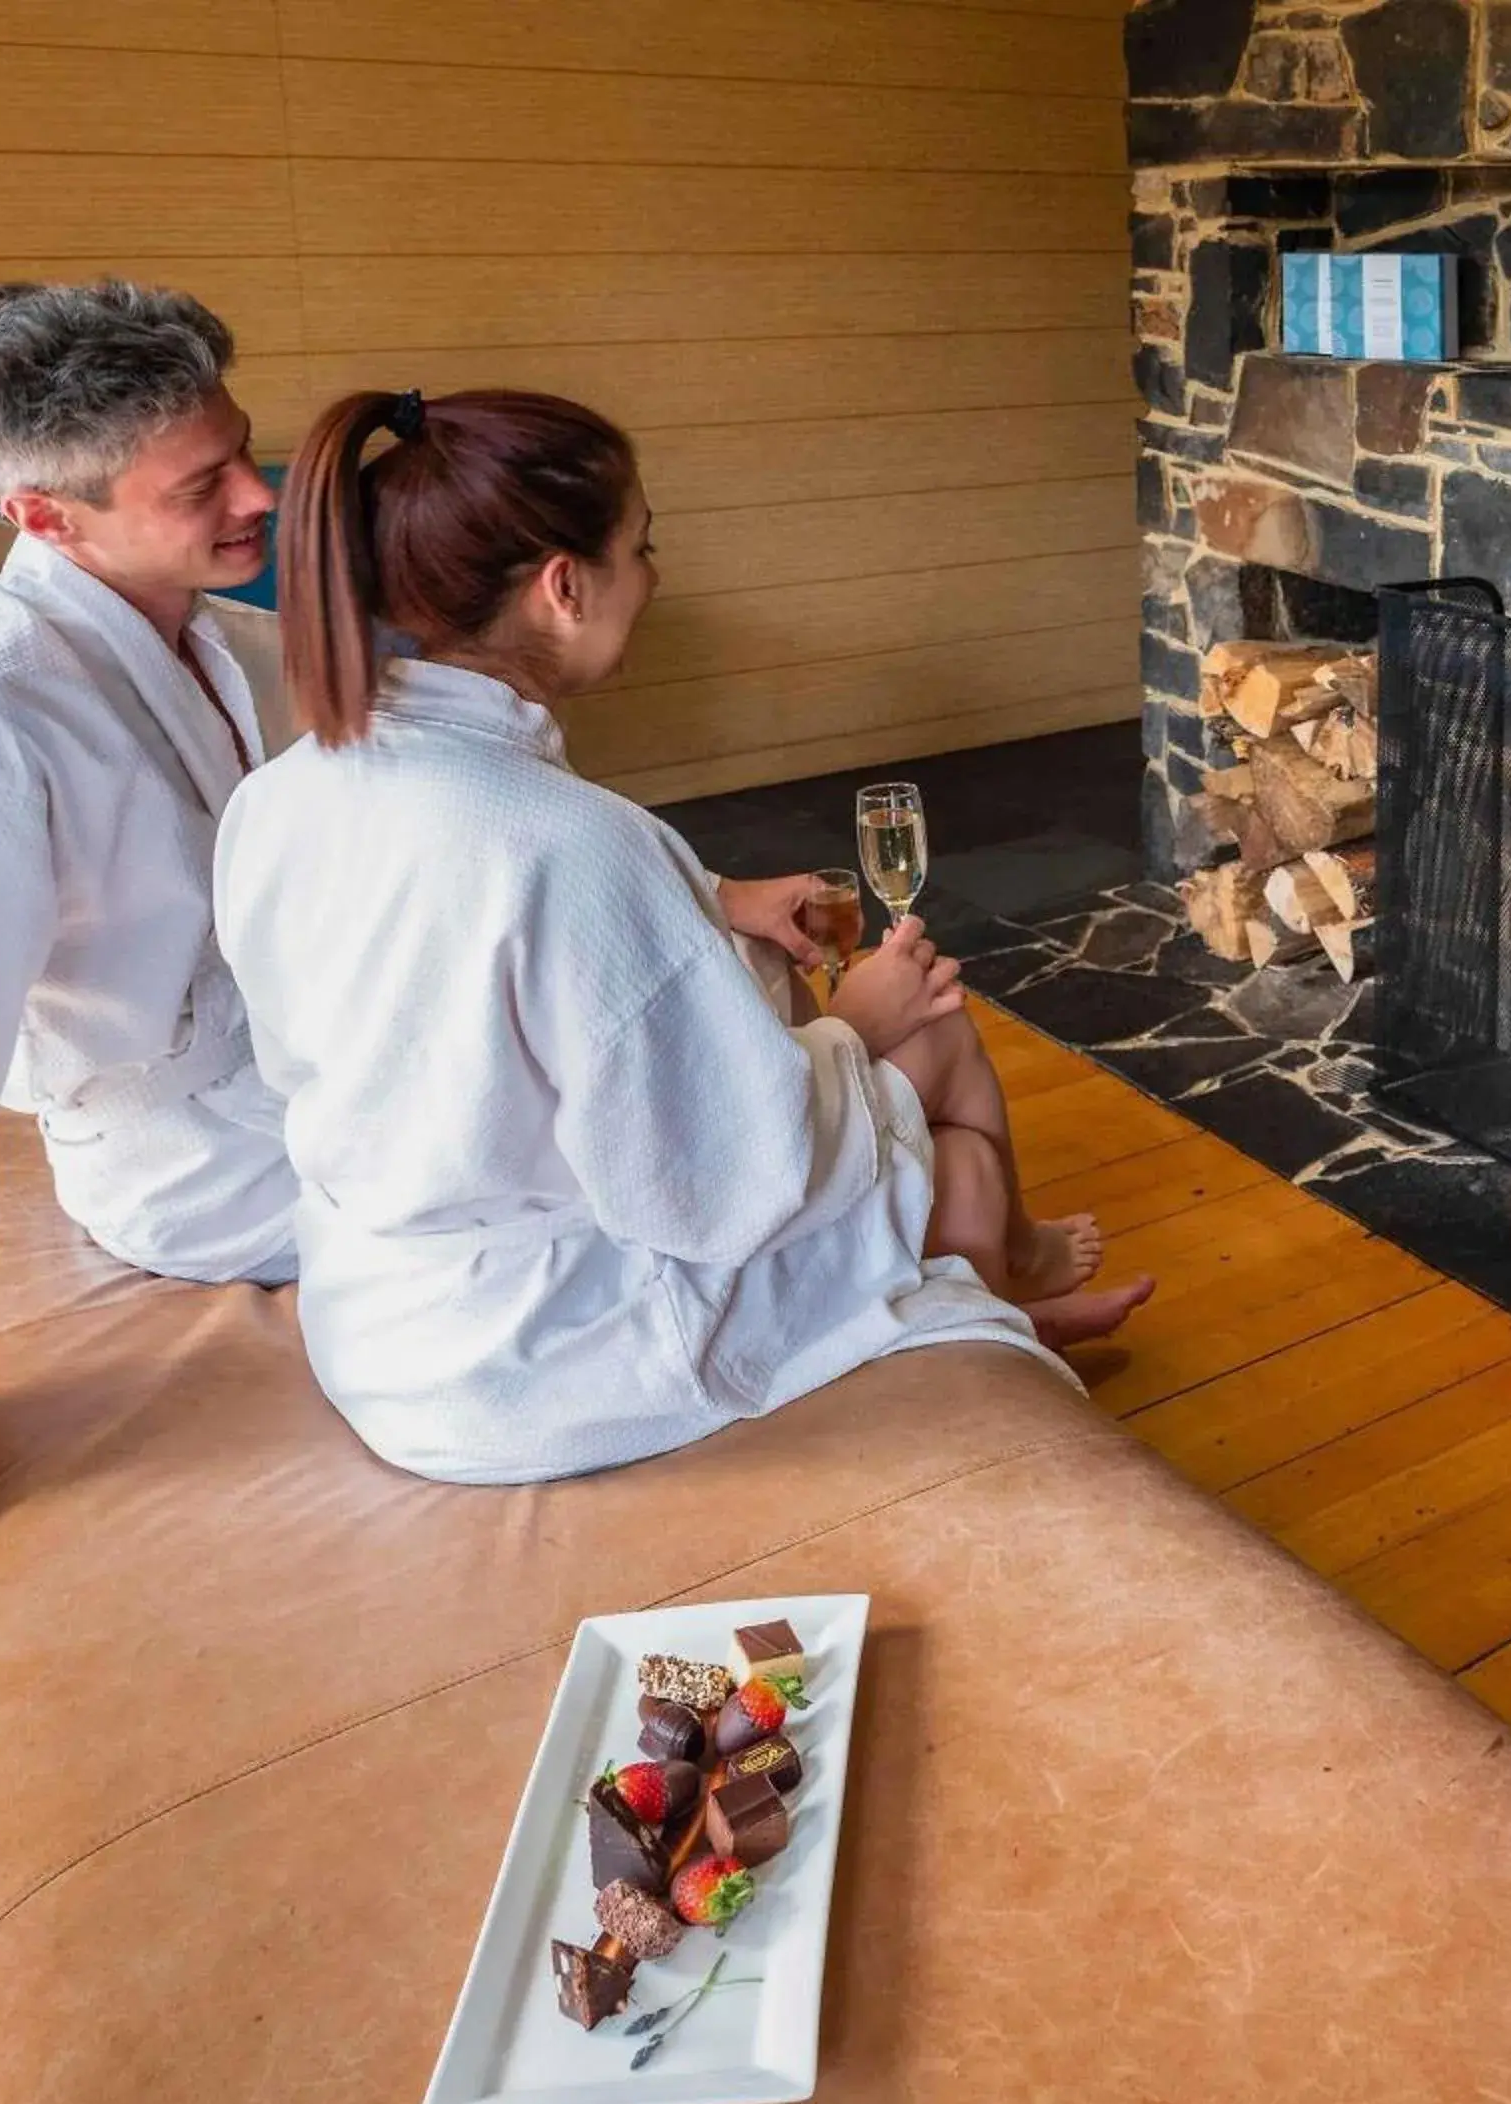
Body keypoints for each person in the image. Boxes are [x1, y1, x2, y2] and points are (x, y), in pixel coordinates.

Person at [215, 386, 1150, 1484]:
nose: (653, 578)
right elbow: (713, 1191)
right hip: (538, 1362)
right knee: (935, 1067)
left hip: (377, 1321)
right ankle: (986, 1304)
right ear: (565, 587)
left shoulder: (285, 792)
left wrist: (712, 910)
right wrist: (854, 1021)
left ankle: (995, 1290)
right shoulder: (576, 841)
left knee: (909, 1109)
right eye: (641, 546)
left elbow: (438, 956)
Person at [0, 283, 296, 1692]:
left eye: (244, 449)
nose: (257, 498)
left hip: (294, 1066)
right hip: (195, 1156)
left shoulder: (198, 632)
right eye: (203, 482)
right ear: (46, 516)